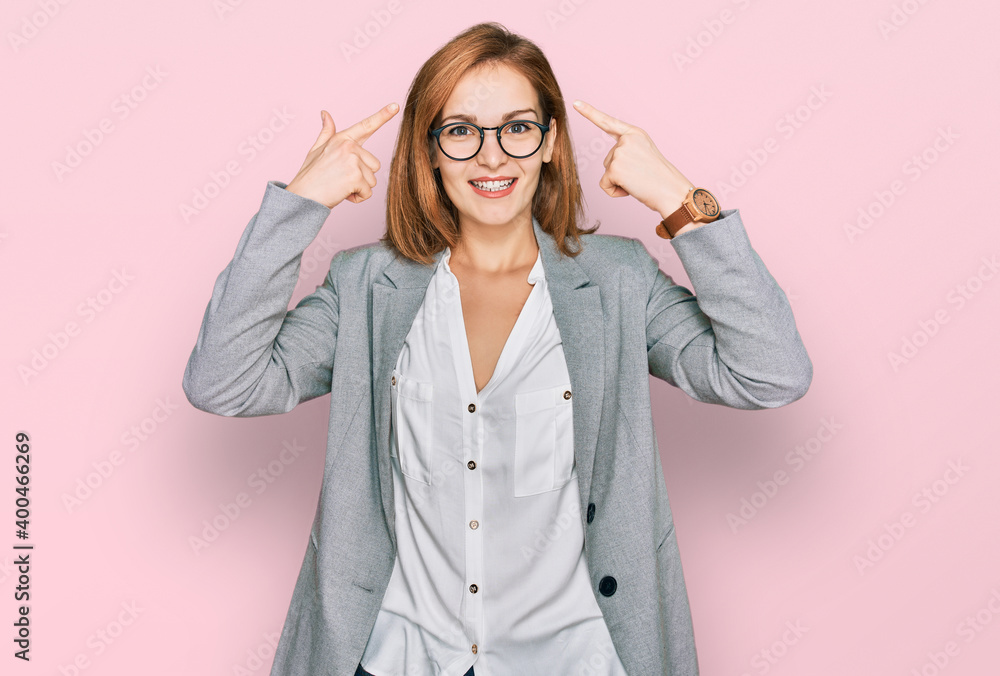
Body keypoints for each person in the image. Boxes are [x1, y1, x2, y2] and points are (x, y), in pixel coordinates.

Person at [182, 21, 812, 676]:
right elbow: (224, 381)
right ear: (428, 151)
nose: (491, 157)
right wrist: (302, 202)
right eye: (460, 131)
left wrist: (682, 201)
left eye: (517, 127)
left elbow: (769, 373)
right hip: (399, 657)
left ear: (550, 141)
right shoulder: (365, 285)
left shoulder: (621, 282)